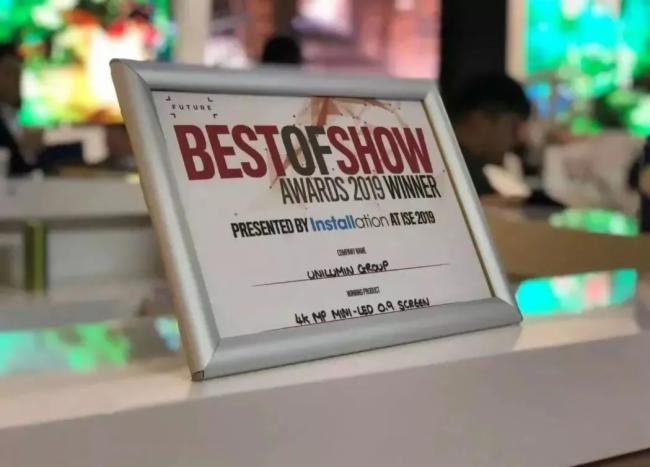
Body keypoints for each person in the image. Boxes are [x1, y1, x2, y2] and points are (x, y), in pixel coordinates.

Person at [447, 73, 532, 196]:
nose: (519, 139)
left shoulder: (463, 172)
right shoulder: (458, 177)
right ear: (477, 121)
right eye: (513, 128)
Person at [0, 42, 41, 176]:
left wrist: (31, 150)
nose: (17, 80)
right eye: (9, 73)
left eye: (20, 73)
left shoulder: (28, 115)